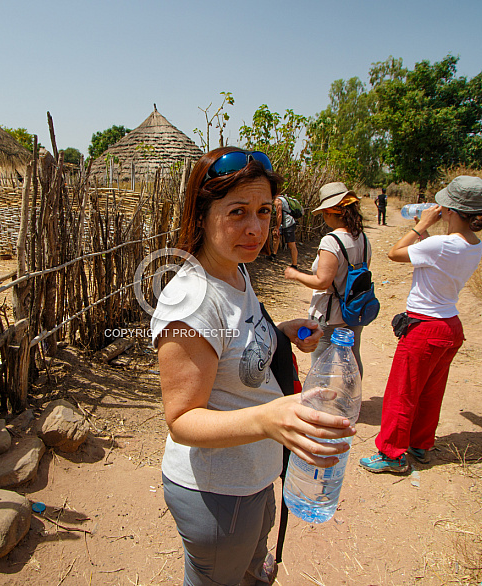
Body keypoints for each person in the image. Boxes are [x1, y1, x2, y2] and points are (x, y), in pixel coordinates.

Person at [151, 147, 356, 586]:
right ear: (202, 215)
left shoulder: (235, 272)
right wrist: (269, 418)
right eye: (238, 211)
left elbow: (230, 346)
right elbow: (182, 420)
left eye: (265, 211)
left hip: (254, 475)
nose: (256, 228)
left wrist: (280, 333)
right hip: (218, 492)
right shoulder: (189, 303)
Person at [359, 176, 482, 474]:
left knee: (402, 392)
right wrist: (428, 231)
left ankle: (392, 453)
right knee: (431, 392)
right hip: (449, 326)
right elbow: (436, 256)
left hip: (425, 328)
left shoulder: (440, 244)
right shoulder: (472, 244)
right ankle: (420, 444)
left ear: (452, 211)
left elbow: (394, 253)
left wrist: (420, 227)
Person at [283, 181, 370, 376]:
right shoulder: (362, 238)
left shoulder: (331, 241)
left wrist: (295, 274)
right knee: (352, 359)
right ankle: (350, 400)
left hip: (330, 314)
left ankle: (321, 404)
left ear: (330, 213)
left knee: (322, 364)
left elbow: (323, 281)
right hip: (354, 310)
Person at [269, 194, 299, 267]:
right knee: (276, 235)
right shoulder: (283, 198)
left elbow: (279, 215)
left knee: (291, 244)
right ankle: (273, 254)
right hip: (284, 222)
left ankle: (294, 264)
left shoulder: (277, 201)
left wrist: (277, 227)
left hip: (288, 223)